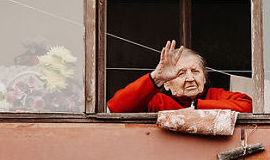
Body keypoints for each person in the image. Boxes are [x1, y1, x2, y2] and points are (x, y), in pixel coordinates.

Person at [107, 40, 252, 113]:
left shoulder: (216, 95)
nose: (190, 78)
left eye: (195, 71)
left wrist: (196, 107)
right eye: (181, 73)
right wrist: (156, 78)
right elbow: (116, 108)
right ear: (167, 83)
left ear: (204, 78)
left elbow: (247, 106)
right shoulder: (157, 101)